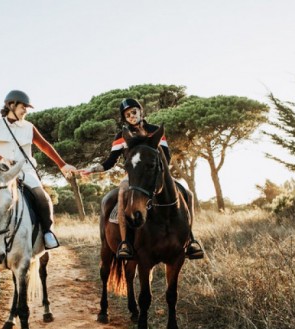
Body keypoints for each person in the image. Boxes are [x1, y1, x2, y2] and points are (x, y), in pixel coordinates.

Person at [80, 98, 204, 260]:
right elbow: (111, 161)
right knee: (122, 192)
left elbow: (166, 156)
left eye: (133, 112)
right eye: (127, 115)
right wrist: (92, 169)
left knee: (187, 193)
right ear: (124, 118)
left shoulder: (155, 130)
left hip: (156, 172)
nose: (131, 116)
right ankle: (125, 243)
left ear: (140, 112)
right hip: (133, 176)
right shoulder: (121, 136)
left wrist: (160, 173)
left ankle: (189, 239)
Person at [0, 90, 77, 252]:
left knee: (41, 196)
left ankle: (47, 233)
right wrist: (0, 159)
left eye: (26, 108)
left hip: (25, 169)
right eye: (23, 107)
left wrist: (62, 164)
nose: (26, 111)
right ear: (11, 105)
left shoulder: (29, 127)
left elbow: (45, 146)